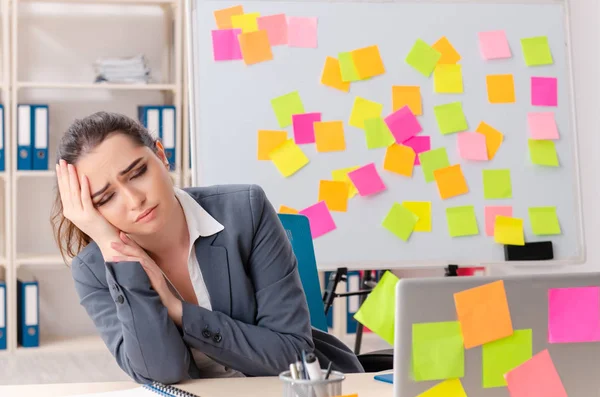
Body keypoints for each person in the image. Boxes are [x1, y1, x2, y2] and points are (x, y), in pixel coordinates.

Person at [50, 111, 363, 384]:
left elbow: (290, 355)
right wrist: (116, 253)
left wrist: (177, 310)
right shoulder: (94, 270)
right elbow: (162, 372)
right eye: (105, 199)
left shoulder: (246, 211)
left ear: (160, 154)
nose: (134, 200)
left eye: (138, 173)